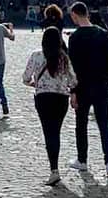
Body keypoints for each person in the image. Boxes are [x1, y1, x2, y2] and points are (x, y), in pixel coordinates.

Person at [66, 2, 108, 180]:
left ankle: (82, 160)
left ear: (75, 15)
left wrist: (72, 91)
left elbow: (72, 67)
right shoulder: (103, 34)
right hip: (101, 85)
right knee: (104, 125)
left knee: (81, 124)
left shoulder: (75, 38)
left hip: (82, 86)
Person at [23, 27, 78, 187]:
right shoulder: (64, 58)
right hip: (60, 99)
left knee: (48, 132)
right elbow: (73, 81)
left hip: (43, 98)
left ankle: (54, 170)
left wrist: (34, 83)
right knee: (56, 132)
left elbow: (25, 77)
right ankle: (55, 168)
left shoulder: (36, 55)